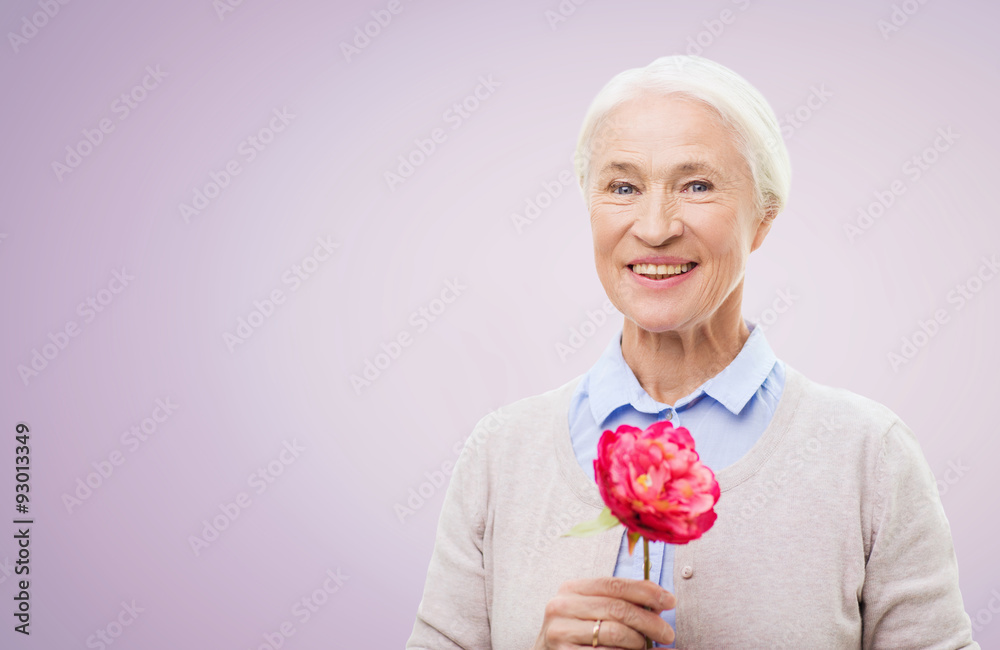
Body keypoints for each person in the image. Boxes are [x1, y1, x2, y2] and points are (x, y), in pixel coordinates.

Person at [405, 55, 979, 649]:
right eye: (623, 186)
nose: (655, 227)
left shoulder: (869, 456)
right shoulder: (500, 456)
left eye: (697, 185)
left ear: (763, 218)